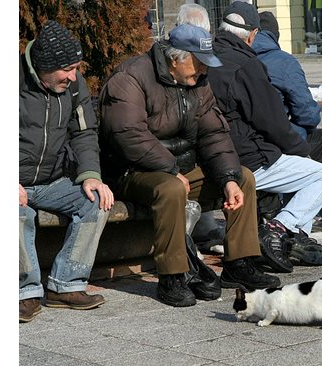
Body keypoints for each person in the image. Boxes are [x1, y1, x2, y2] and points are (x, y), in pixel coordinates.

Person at [98, 23, 281, 307]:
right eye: (198, 63)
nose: (204, 71)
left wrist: (228, 178)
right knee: (171, 189)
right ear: (176, 59)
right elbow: (128, 135)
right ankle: (172, 275)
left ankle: (240, 263)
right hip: (132, 173)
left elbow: (214, 134)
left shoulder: (197, 82)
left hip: (178, 170)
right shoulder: (131, 77)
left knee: (243, 177)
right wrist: (170, 169)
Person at [207, 2, 322, 273]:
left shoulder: (206, 57)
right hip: (244, 159)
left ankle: (289, 235)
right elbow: (273, 121)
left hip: (211, 155)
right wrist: (298, 150)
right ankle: (280, 231)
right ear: (252, 34)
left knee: (302, 160)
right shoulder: (246, 64)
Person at [19, 20, 114, 323]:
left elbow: (85, 133)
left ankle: (66, 285)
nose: (74, 76)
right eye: (67, 69)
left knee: (96, 201)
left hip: (51, 180)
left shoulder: (74, 84)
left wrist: (91, 176)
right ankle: (23, 292)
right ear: (45, 66)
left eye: (76, 68)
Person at [252, 11, 322, 234]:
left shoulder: (236, 58)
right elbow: (307, 112)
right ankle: (316, 213)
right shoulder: (283, 61)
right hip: (270, 145)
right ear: (275, 35)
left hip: (239, 145)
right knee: (320, 138)